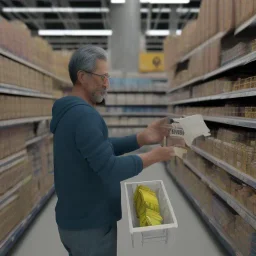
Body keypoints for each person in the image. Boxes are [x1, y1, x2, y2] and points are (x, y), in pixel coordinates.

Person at [50, 45, 176, 256]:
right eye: (103, 77)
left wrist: (141, 138)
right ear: (82, 76)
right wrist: (153, 156)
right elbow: (110, 168)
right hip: (90, 226)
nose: (107, 84)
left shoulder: (69, 112)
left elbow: (100, 149)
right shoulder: (84, 116)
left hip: (75, 221)